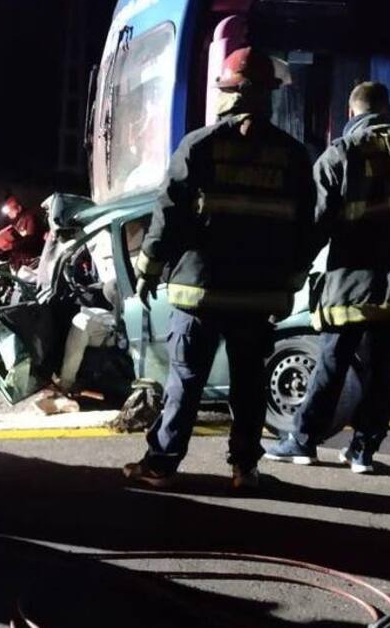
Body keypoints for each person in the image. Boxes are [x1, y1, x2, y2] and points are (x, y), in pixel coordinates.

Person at [123, 47, 318, 490]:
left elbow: (168, 213)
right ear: (269, 96)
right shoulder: (291, 155)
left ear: (228, 94)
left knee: (185, 381)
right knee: (248, 384)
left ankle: (162, 465)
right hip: (257, 295)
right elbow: (307, 226)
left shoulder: (200, 145)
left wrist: (149, 269)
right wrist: (291, 277)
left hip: (200, 292)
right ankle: (244, 468)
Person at [264, 81, 390, 473]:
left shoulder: (343, 154)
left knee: (333, 362)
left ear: (352, 114)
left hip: (354, 283)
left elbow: (312, 228)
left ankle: (302, 440)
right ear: (388, 111)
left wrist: (287, 281)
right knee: (383, 369)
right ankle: (363, 451)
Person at [0, 195, 44, 265]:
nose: (9, 213)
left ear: (19, 208)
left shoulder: (29, 218)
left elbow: (31, 239)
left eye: (10, 210)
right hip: (20, 261)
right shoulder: (15, 222)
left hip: (33, 259)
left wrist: (12, 245)